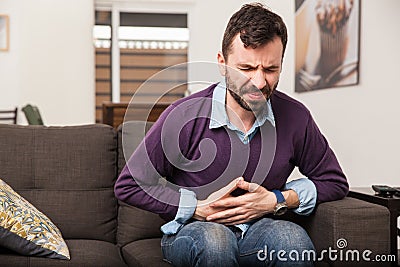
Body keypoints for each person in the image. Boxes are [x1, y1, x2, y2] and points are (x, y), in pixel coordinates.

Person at [115, 2, 348, 266]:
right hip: (194, 231)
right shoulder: (183, 115)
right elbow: (129, 184)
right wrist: (196, 207)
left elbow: (334, 181)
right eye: (246, 69)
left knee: (293, 241)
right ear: (222, 64)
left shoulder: (296, 117)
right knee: (215, 243)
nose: (259, 83)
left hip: (260, 229)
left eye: (270, 69)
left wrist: (276, 199)